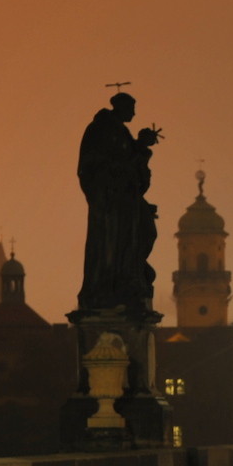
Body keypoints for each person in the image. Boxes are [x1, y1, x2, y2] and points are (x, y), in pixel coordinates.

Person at [77, 92, 161, 313]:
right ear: (120, 107)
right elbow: (93, 164)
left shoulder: (121, 132)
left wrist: (141, 147)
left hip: (126, 200)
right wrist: (122, 167)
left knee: (145, 233)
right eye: (132, 108)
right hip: (109, 201)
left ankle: (131, 279)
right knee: (112, 244)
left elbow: (136, 171)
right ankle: (113, 287)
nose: (134, 113)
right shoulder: (100, 129)